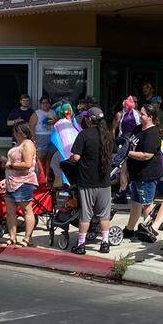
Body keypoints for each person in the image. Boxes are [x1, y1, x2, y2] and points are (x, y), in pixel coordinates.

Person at [68, 106, 114, 254]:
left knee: (86, 214)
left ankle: (81, 245)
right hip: (104, 181)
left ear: (89, 119)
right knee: (104, 214)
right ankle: (105, 243)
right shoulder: (108, 135)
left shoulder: (84, 135)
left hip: (87, 181)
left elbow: (76, 157)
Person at [123, 103, 163, 242]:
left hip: (147, 174)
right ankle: (129, 229)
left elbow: (147, 155)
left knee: (147, 204)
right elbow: (130, 142)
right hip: (136, 174)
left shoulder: (153, 133)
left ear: (151, 117)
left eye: (143, 114)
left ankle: (149, 231)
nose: (140, 116)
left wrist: (128, 153)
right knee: (135, 203)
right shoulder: (138, 128)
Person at [3, 122, 39, 246]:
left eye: (18, 131)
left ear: (23, 132)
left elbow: (27, 164)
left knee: (26, 209)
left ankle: (27, 238)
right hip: (11, 181)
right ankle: (12, 236)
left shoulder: (28, 144)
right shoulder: (16, 144)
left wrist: (11, 165)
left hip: (23, 182)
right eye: (15, 131)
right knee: (10, 211)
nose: (16, 134)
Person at [32, 96, 55, 177]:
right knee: (39, 158)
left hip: (52, 136)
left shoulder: (53, 112)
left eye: (47, 103)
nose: (46, 105)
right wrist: (33, 139)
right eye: (43, 103)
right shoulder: (37, 113)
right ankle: (37, 177)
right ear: (40, 104)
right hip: (40, 137)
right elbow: (31, 126)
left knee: (49, 158)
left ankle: (46, 178)